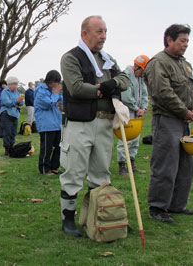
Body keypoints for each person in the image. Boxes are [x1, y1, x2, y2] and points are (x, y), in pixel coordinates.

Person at [59, 15, 130, 237]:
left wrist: (114, 83)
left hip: (105, 121)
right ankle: (68, 220)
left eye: (105, 31)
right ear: (84, 33)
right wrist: (104, 89)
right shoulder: (71, 58)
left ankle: (96, 217)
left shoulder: (108, 59)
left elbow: (125, 80)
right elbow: (76, 88)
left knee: (101, 172)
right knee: (74, 172)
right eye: (99, 31)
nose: (103, 36)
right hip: (80, 123)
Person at [144, 24, 193, 224]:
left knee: (186, 165)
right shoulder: (158, 63)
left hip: (184, 121)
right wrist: (184, 111)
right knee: (165, 165)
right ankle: (158, 207)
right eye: (182, 40)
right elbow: (162, 93)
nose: (186, 45)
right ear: (169, 39)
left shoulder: (184, 64)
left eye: (187, 41)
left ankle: (177, 204)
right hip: (167, 120)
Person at [116, 55, 149, 177]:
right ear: (137, 67)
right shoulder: (125, 76)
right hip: (127, 112)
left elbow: (145, 94)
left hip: (138, 112)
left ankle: (132, 163)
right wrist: (136, 108)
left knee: (135, 138)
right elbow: (126, 96)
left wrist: (143, 108)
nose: (143, 74)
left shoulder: (140, 79)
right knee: (125, 138)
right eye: (143, 71)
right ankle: (122, 166)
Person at [34, 70, 63, 175]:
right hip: (46, 124)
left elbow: (60, 101)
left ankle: (54, 167)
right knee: (47, 148)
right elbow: (48, 103)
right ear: (51, 81)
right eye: (56, 82)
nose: (57, 84)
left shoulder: (53, 90)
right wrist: (55, 94)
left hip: (56, 123)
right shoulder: (40, 90)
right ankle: (44, 169)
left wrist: (59, 94)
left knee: (59, 146)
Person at [0, 76, 24, 155]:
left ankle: (12, 146)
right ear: (9, 84)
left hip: (15, 114)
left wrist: (20, 101)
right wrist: (16, 101)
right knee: (7, 132)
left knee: (14, 132)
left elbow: (21, 103)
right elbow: (7, 102)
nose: (16, 86)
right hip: (6, 113)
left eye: (17, 84)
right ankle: (7, 148)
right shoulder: (5, 91)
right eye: (15, 84)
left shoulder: (16, 92)